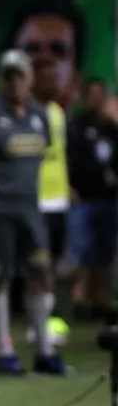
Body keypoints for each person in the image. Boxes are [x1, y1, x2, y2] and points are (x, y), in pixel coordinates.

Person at [0, 50, 68, 376]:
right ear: (1, 79)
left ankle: (44, 351)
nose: (15, 82)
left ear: (29, 78)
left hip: (30, 209)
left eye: (20, 75)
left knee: (40, 275)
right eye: (8, 76)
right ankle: (5, 352)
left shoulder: (39, 115)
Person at [26, 57, 69, 345]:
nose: (54, 83)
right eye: (47, 77)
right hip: (36, 200)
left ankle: (47, 319)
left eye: (57, 76)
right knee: (36, 264)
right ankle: (35, 324)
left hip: (59, 199)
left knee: (52, 261)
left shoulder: (57, 112)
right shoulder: (26, 113)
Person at [67, 78, 118, 320]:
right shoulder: (76, 125)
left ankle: (100, 302)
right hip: (83, 198)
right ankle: (80, 301)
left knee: (104, 255)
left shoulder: (112, 128)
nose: (97, 100)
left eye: (101, 95)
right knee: (82, 253)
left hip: (109, 197)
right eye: (92, 94)